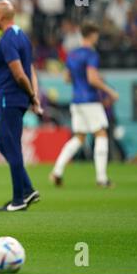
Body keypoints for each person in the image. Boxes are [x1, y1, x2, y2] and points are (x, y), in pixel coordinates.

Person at [50, 21, 119, 188]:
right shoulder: (91, 54)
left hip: (76, 101)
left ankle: (57, 172)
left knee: (79, 137)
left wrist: (79, 78)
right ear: (93, 35)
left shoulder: (72, 54)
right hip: (90, 100)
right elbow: (92, 79)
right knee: (101, 133)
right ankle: (102, 178)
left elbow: (66, 78)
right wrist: (110, 91)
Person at [0, 0, 43, 212]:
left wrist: (32, 95)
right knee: (2, 142)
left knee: (9, 144)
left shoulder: (7, 40)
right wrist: (33, 95)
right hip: (18, 98)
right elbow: (30, 68)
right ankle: (27, 188)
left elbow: (20, 72)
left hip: (10, 98)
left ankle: (18, 199)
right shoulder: (22, 35)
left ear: (2, 16)